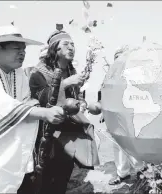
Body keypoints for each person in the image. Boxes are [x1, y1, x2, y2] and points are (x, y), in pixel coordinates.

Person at [0, 25, 66, 193]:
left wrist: (43, 109)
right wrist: (43, 113)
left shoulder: (18, 74)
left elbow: (26, 101)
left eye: (24, 49)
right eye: (17, 48)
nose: (22, 53)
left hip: (4, 148)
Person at [23, 29, 100, 194]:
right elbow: (41, 101)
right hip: (46, 136)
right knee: (43, 180)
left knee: (62, 178)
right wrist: (64, 83)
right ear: (54, 49)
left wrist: (83, 104)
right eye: (66, 44)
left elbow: (78, 96)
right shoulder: (39, 72)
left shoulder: (72, 71)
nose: (71, 47)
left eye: (73, 44)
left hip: (68, 135)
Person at [102, 45, 146, 185]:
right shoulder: (109, 74)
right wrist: (104, 111)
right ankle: (122, 174)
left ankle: (141, 171)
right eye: (116, 58)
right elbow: (103, 93)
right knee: (118, 145)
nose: (118, 61)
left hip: (131, 115)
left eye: (121, 58)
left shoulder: (135, 74)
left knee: (133, 144)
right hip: (114, 115)